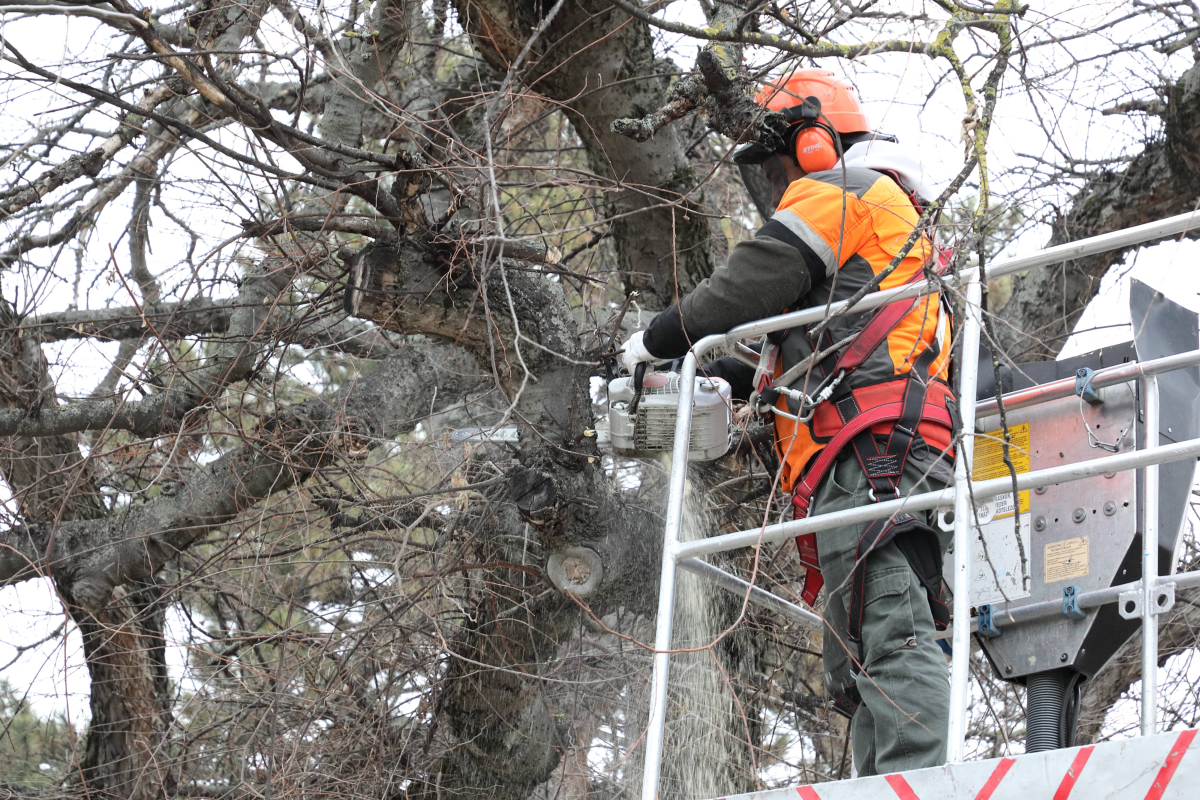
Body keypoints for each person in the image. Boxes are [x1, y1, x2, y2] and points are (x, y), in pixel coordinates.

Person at [621, 69, 957, 777]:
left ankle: (917, 783)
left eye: (777, 168)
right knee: (862, 649)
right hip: (866, 452)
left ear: (813, 145)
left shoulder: (847, 190)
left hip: (874, 453)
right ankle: (882, 784)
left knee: (890, 633)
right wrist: (720, 375)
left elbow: (750, 282)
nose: (775, 190)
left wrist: (660, 337)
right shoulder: (879, 228)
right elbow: (803, 358)